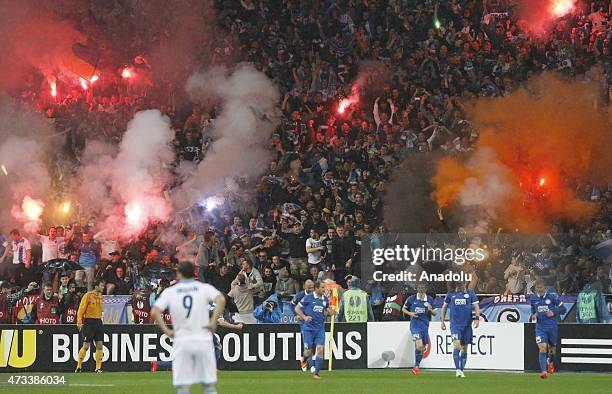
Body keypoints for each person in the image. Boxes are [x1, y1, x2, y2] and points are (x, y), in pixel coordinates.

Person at [151, 261, 225, 394]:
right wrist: (213, 321)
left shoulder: (171, 291)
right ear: (194, 273)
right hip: (202, 338)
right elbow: (221, 300)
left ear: (179, 274)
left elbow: (155, 311)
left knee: (183, 386)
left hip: (182, 340)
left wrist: (167, 331)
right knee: (209, 386)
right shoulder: (203, 288)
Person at [294, 280, 336, 380]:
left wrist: (332, 312)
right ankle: (304, 359)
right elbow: (297, 308)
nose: (324, 289)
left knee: (320, 349)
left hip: (320, 328)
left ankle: (316, 373)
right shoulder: (308, 298)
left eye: (324, 287)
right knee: (308, 352)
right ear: (316, 288)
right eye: (322, 287)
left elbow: (326, 311)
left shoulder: (325, 299)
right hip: (308, 328)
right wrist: (304, 317)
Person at [440, 281, 480, 378]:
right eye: (458, 284)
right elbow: (444, 307)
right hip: (455, 325)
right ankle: (457, 369)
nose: (460, 286)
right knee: (456, 345)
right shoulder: (451, 294)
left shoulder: (470, 293)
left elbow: (476, 306)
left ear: (464, 284)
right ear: (456, 285)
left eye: (461, 284)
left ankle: (461, 370)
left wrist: (477, 318)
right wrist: (442, 321)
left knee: (464, 349)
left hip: (467, 325)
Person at [530, 280, 567, 379]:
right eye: (537, 288)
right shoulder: (533, 298)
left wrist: (554, 312)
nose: (539, 290)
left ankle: (550, 362)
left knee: (553, 350)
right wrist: (533, 314)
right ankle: (544, 372)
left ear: (545, 288)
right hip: (540, 328)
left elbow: (564, 309)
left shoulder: (552, 297)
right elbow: (533, 309)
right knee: (542, 348)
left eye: (541, 288)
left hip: (552, 327)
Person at [402, 282, 436, 376]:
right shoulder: (412, 298)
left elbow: (435, 314)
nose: (421, 289)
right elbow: (403, 309)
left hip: (424, 325)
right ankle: (416, 366)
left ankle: (417, 365)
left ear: (425, 289)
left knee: (422, 348)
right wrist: (411, 314)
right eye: (419, 288)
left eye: (423, 288)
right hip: (415, 325)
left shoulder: (429, 299)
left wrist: (430, 310)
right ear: (417, 288)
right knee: (419, 345)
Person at [75, 278, 106, 373]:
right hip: (89, 322)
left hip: (98, 322)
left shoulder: (101, 296)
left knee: (100, 345)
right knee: (86, 345)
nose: (103, 287)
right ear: (96, 286)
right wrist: (79, 322)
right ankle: (79, 366)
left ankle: (98, 368)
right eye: (101, 285)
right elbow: (81, 309)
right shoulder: (88, 295)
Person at [291, 279, 315, 371]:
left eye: (312, 287)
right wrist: (297, 315)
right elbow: (291, 304)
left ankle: (304, 358)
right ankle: (310, 365)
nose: (311, 289)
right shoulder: (300, 295)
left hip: (314, 323)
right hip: (304, 322)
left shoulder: (316, 295)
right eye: (309, 288)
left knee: (314, 344)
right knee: (307, 344)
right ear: (305, 287)